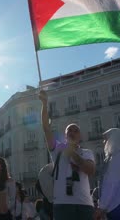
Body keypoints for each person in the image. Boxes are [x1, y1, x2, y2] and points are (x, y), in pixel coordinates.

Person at [39, 90, 96, 219]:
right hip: (62, 204)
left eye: (76, 130)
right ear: (65, 135)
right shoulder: (57, 149)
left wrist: (72, 154)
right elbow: (45, 127)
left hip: (84, 205)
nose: (72, 132)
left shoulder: (87, 153)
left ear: (80, 136)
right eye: (69, 130)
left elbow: (90, 170)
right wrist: (44, 104)